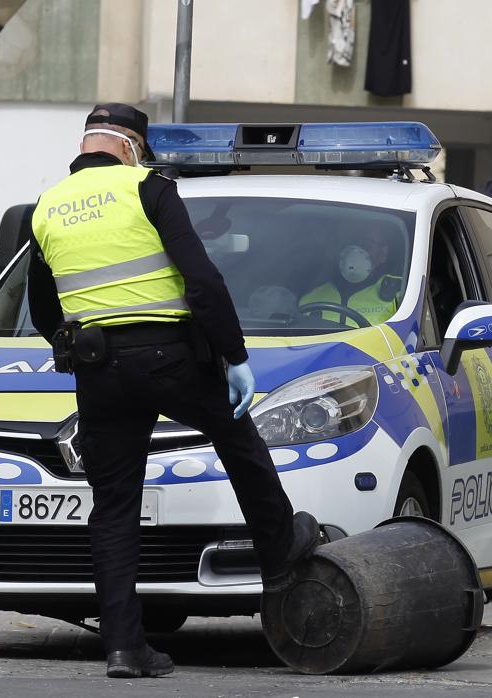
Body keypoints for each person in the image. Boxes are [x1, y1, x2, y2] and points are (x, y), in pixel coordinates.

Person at [26, 104, 319, 679]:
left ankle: (124, 648)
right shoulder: (149, 188)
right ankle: (280, 549)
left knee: (113, 506)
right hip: (170, 358)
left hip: (98, 370)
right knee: (238, 441)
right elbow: (202, 279)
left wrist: (77, 341)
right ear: (131, 146)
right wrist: (235, 355)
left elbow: (41, 308)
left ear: (86, 145)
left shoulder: (47, 206)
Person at [300, 221, 403, 325]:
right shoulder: (310, 299)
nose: (354, 251)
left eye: (364, 244)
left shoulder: (401, 294)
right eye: (348, 243)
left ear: (383, 254)